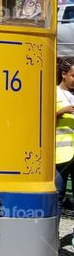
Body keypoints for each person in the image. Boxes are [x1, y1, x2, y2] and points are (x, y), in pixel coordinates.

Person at [55, 56, 74, 210]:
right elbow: (42, 119)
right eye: (73, 76)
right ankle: (53, 233)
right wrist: (61, 111)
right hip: (60, 154)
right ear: (64, 74)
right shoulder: (53, 93)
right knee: (58, 195)